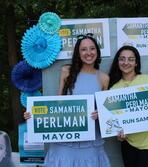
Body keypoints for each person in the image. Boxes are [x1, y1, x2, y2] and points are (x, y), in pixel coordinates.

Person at [24, 33, 110, 167]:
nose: (88, 53)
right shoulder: (66, 71)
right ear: (78, 53)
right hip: (65, 140)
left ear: (97, 52)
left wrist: (100, 114)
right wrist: (34, 116)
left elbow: (105, 112)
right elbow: (58, 104)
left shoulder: (104, 78)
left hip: (91, 141)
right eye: (83, 49)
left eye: (92, 48)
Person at [108, 45, 148, 167]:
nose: (126, 62)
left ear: (136, 63)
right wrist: (119, 135)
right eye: (122, 59)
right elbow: (115, 122)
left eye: (131, 59)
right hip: (128, 143)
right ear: (118, 62)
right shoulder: (114, 89)